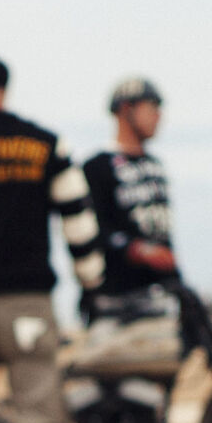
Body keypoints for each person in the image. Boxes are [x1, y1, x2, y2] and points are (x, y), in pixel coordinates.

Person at [0, 55, 103, 423]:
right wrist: (91, 282)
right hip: (29, 304)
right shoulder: (45, 144)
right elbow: (79, 222)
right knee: (36, 419)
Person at [82, 78, 189, 328]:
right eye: (152, 107)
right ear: (126, 109)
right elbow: (92, 228)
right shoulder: (97, 166)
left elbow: (162, 233)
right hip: (114, 300)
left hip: (162, 295)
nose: (159, 116)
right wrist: (138, 250)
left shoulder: (155, 166)